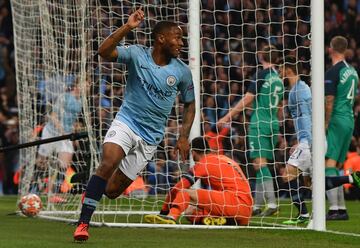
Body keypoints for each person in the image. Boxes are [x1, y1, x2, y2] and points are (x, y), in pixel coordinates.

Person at [73, 7, 195, 241]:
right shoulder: (137, 54)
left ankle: (92, 188)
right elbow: (103, 51)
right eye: (177, 37)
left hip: (150, 137)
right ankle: (82, 224)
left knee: (111, 191)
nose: (181, 42)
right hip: (127, 122)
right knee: (108, 163)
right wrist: (127, 27)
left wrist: (182, 137)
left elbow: (190, 105)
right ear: (161, 38)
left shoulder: (182, 72)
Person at [278, 56, 360, 225]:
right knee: (311, 183)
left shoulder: (300, 91)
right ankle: (352, 179)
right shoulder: (297, 89)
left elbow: (307, 117)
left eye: (280, 70)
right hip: (312, 139)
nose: (279, 73)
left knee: (288, 174)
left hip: (311, 140)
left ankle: (303, 214)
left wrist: (305, 142)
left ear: (288, 70)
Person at [218, 45, 284, 217]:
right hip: (273, 123)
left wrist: (227, 116)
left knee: (260, 164)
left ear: (262, 56)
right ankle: (257, 205)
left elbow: (248, 99)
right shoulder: (278, 78)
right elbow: (280, 106)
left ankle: (271, 203)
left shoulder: (261, 75)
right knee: (260, 165)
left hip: (260, 123)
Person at [144, 136, 253, 226]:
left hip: (233, 203)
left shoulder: (204, 163)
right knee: (190, 211)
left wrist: (163, 211)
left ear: (193, 152)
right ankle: (220, 221)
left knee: (185, 193)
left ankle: (170, 217)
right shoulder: (224, 159)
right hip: (246, 211)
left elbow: (178, 187)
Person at [324, 36, 359, 220]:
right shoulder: (353, 71)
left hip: (337, 119)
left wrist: (325, 123)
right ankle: (341, 208)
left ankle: (335, 209)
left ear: (330, 49)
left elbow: (329, 101)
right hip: (349, 120)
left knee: (327, 163)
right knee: (337, 165)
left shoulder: (333, 72)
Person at [33, 79, 82, 200]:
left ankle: (52, 192)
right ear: (77, 85)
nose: (88, 86)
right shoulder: (64, 97)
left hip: (65, 136)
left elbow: (73, 119)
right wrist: (62, 131)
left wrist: (74, 133)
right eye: (86, 83)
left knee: (64, 164)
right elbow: (53, 116)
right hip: (51, 132)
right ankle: (34, 185)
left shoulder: (81, 102)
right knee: (41, 163)